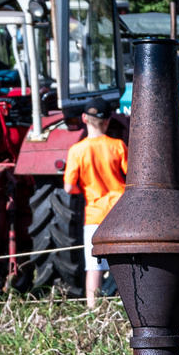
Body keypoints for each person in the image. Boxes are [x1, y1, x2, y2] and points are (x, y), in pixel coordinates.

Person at [63, 97, 127, 309]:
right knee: (125, 265)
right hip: (119, 214)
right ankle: (128, 306)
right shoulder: (117, 146)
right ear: (108, 121)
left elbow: (68, 187)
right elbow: (132, 177)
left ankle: (93, 309)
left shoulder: (76, 151)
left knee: (94, 267)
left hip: (94, 216)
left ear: (83, 118)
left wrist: (84, 189)